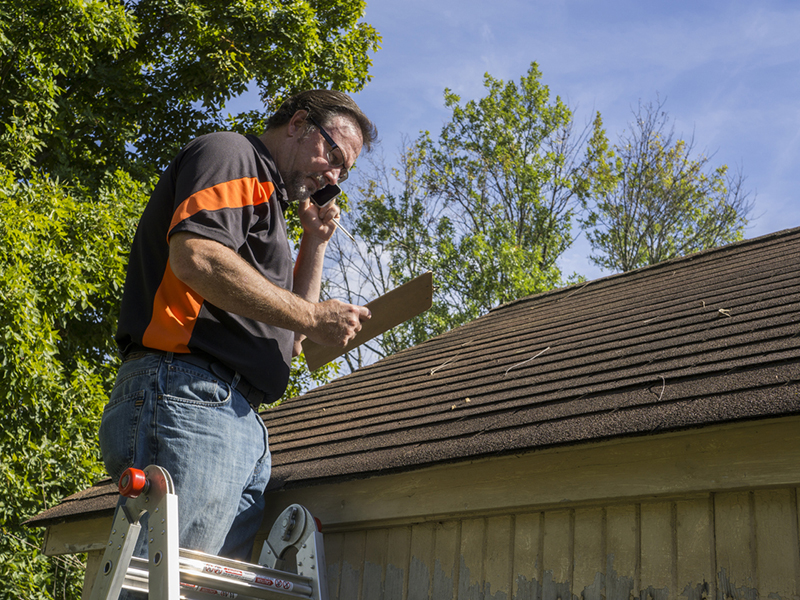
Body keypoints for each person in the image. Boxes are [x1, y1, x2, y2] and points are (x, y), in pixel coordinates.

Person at [98, 89, 377, 566]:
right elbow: (196, 257)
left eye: (343, 172)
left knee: (196, 588)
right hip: (190, 394)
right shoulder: (233, 154)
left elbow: (292, 343)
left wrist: (315, 243)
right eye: (332, 154)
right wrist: (312, 316)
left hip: (234, 415)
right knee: (167, 582)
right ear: (298, 123)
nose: (333, 175)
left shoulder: (272, 207)